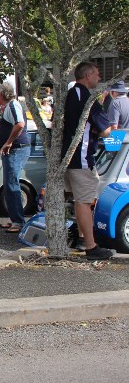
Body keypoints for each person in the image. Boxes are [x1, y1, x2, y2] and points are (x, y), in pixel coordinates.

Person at [62, 61, 114, 260]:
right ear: (88, 75)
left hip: (65, 157)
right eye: (97, 75)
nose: (99, 78)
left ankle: (79, 237)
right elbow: (106, 131)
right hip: (82, 157)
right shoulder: (89, 98)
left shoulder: (68, 94)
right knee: (84, 201)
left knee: (73, 199)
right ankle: (91, 247)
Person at [0, 83, 31, 234]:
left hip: (16, 149)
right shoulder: (11, 106)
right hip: (14, 149)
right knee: (9, 184)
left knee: (11, 184)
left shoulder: (12, 106)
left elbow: (20, 124)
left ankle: (18, 221)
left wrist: (8, 142)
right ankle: (15, 219)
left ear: (2, 95)